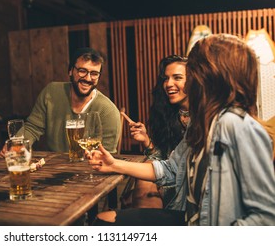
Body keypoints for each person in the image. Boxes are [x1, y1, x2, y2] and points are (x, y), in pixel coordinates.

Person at [90, 34, 275, 225]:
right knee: (103, 220)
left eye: (193, 71)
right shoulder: (201, 122)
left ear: (211, 76)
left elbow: (266, 218)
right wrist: (114, 164)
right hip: (189, 219)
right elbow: (170, 169)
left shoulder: (237, 126)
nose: (187, 81)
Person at [0, 47, 121, 156]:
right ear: (70, 71)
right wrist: (16, 145)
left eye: (94, 74)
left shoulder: (108, 111)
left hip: (92, 173)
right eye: (82, 71)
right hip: (55, 169)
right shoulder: (51, 92)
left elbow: (109, 157)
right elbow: (32, 128)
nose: (88, 78)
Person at [122, 55, 188, 209]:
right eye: (166, 78)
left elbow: (174, 167)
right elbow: (164, 158)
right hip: (167, 177)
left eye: (177, 77)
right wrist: (146, 140)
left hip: (186, 189)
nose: (169, 84)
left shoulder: (203, 118)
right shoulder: (168, 114)